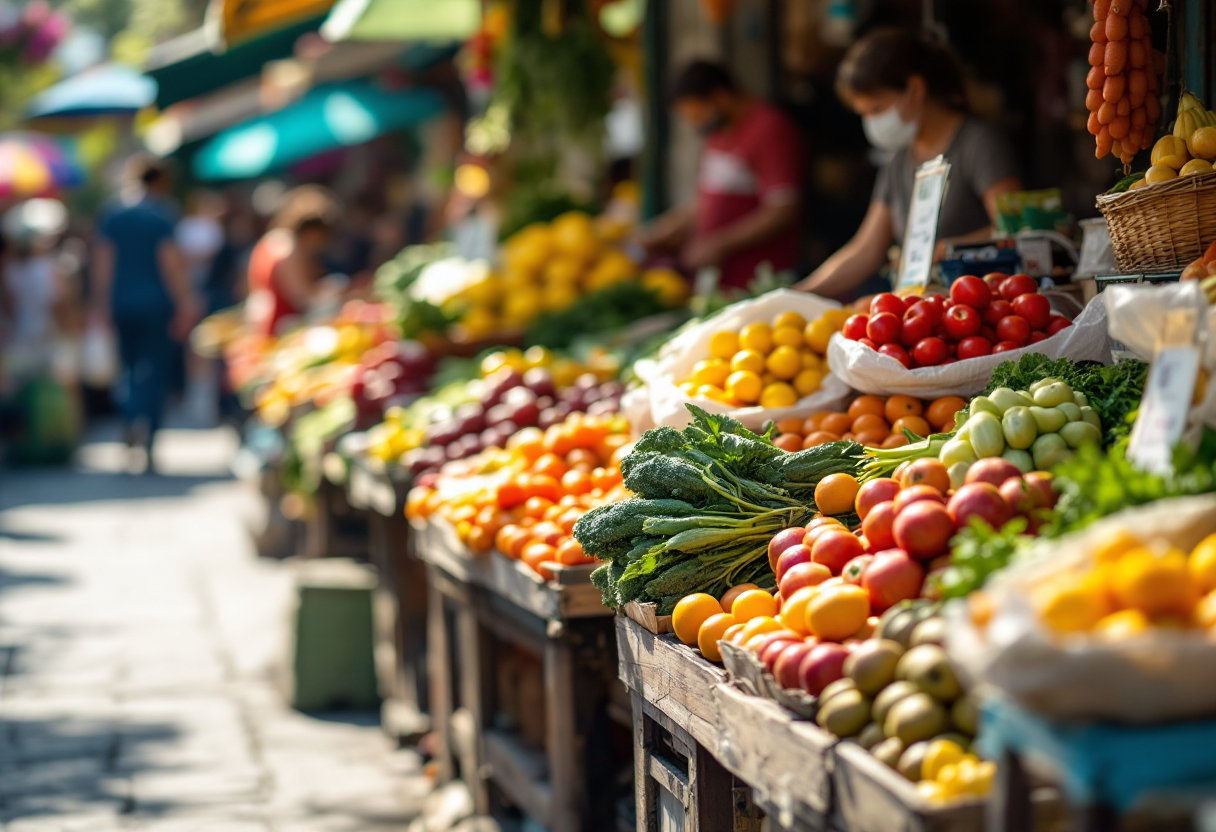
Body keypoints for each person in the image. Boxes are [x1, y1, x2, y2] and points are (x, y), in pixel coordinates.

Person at [797, 29, 1022, 298]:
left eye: (877, 109)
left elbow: (1015, 228)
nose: (871, 122)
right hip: (919, 312)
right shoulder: (898, 160)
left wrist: (948, 248)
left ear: (915, 90)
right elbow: (866, 249)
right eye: (864, 113)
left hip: (982, 307)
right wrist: (799, 293)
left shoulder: (979, 144)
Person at [640, 60, 803, 289]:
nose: (696, 126)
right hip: (718, 281)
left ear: (720, 98)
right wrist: (668, 228)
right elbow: (707, 198)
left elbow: (782, 209)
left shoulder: (769, 128)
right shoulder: (718, 133)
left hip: (757, 280)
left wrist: (718, 244)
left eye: (698, 116)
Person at [91, 156, 196, 468]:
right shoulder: (162, 215)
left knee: (128, 368)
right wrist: (185, 302)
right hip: (156, 305)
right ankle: (148, 434)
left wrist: (100, 303)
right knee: (155, 372)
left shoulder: (113, 214)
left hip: (122, 304)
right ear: (161, 181)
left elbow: (103, 263)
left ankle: (128, 419)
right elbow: (171, 265)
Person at [245, 186, 338, 337]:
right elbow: (302, 297)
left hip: (263, 324)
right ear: (311, 231)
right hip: (282, 328)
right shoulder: (289, 249)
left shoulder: (269, 241)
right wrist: (334, 292)